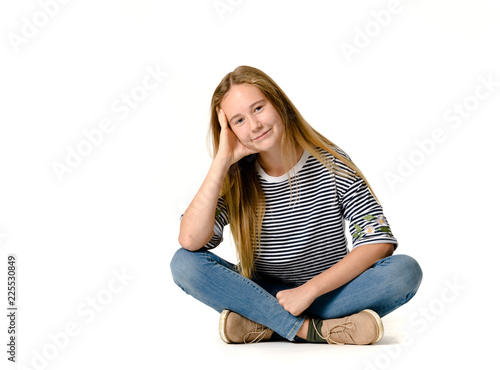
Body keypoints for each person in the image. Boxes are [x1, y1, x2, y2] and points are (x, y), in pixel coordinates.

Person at [170, 65, 422, 345]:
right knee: (183, 263)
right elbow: (190, 239)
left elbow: (378, 242)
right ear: (228, 130)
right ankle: (314, 330)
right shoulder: (234, 177)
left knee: (404, 271)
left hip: (328, 292)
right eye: (238, 121)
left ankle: (262, 324)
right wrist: (221, 163)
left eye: (258, 109)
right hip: (262, 293)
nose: (254, 125)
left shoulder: (332, 163)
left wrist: (309, 291)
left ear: (278, 104)